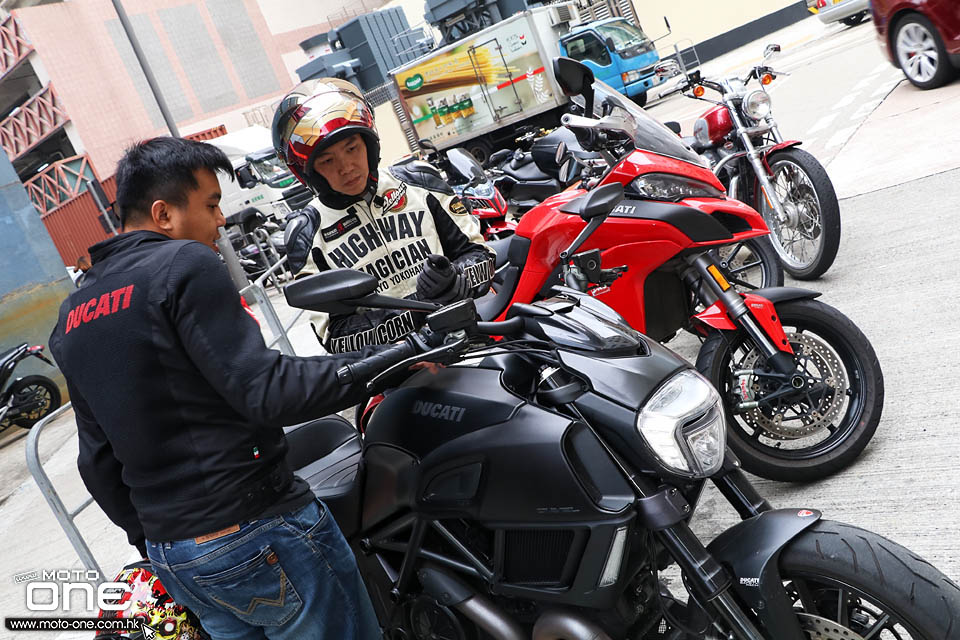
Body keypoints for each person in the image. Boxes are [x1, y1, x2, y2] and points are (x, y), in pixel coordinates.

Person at [48, 137, 388, 640]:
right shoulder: (185, 264)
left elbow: (96, 461)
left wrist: (158, 542)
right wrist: (389, 360)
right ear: (163, 214)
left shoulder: (73, 315)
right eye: (211, 205)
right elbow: (267, 390)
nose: (222, 221)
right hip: (257, 527)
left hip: (177, 555)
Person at [273, 78, 494, 354]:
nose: (346, 167)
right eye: (327, 160)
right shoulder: (306, 234)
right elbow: (334, 336)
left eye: (352, 148)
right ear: (308, 171)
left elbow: (481, 256)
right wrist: (417, 307)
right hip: (396, 369)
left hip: (467, 338)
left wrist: (454, 280)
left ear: (369, 143)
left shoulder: (420, 181)